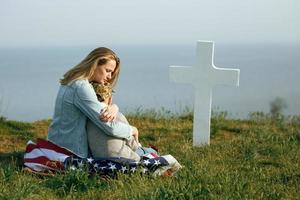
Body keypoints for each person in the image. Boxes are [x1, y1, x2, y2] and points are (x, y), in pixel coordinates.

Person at [47, 47, 141, 161]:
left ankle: (137, 149)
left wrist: (114, 107)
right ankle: (138, 149)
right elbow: (108, 126)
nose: (110, 77)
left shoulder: (73, 81)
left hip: (58, 143)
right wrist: (132, 130)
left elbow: (98, 109)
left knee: (117, 116)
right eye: (108, 71)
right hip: (71, 151)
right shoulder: (81, 87)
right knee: (117, 119)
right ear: (94, 64)